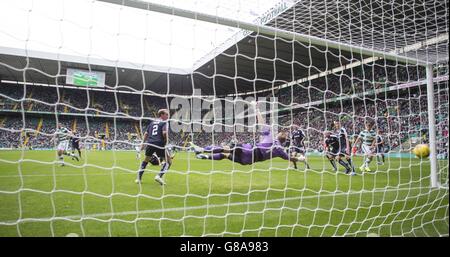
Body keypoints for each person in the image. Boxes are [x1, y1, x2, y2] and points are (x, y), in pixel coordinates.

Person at [193, 102, 304, 166]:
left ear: (279, 136)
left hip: (249, 150)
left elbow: (261, 123)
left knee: (224, 149)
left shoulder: (271, 138)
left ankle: (202, 150)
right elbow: (290, 159)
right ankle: (206, 156)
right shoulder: (281, 151)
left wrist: (256, 109)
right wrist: (300, 159)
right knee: (225, 155)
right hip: (248, 161)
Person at [135, 109, 172, 186]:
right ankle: (159, 176)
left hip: (150, 143)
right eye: (166, 114)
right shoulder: (164, 122)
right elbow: (164, 133)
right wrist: (165, 142)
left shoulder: (152, 123)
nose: (168, 116)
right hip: (159, 143)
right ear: (161, 115)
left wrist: (143, 144)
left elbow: (146, 134)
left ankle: (138, 178)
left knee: (146, 160)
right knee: (168, 161)